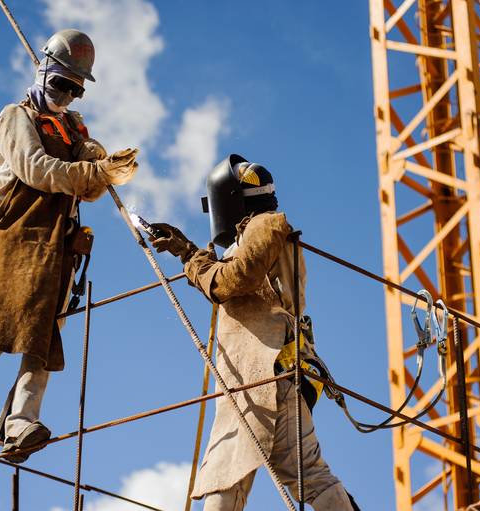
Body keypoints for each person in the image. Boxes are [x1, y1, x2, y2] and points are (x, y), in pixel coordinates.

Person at [0, 29, 138, 467]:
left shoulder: (71, 129)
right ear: (43, 71)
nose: (66, 96)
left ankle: (20, 423)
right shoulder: (16, 117)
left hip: (58, 245)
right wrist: (93, 171)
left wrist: (99, 159)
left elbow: (89, 188)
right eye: (61, 85)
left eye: (75, 90)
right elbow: (36, 169)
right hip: (18, 238)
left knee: (45, 337)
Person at [150, 155, 357, 510]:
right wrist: (188, 252)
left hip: (262, 376)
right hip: (276, 373)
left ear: (230, 200)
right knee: (308, 474)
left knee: (226, 473)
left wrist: (194, 261)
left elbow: (232, 280)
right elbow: (234, 276)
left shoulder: (265, 225)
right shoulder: (256, 235)